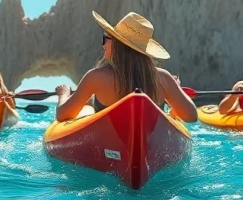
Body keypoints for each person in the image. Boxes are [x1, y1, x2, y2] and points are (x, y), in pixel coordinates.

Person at [54, 11, 197, 122]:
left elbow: (62, 115)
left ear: (117, 45)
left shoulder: (96, 77)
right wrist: (174, 90)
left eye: (106, 39)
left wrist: (63, 94)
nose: (103, 45)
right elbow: (191, 116)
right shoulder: (163, 78)